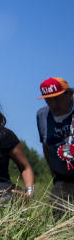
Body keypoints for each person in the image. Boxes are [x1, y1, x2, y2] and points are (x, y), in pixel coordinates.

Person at [35, 77, 74, 215]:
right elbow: (46, 146)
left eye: (57, 98)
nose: (53, 104)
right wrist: (54, 174)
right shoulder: (42, 116)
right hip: (62, 178)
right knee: (59, 218)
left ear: (69, 94)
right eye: (48, 100)